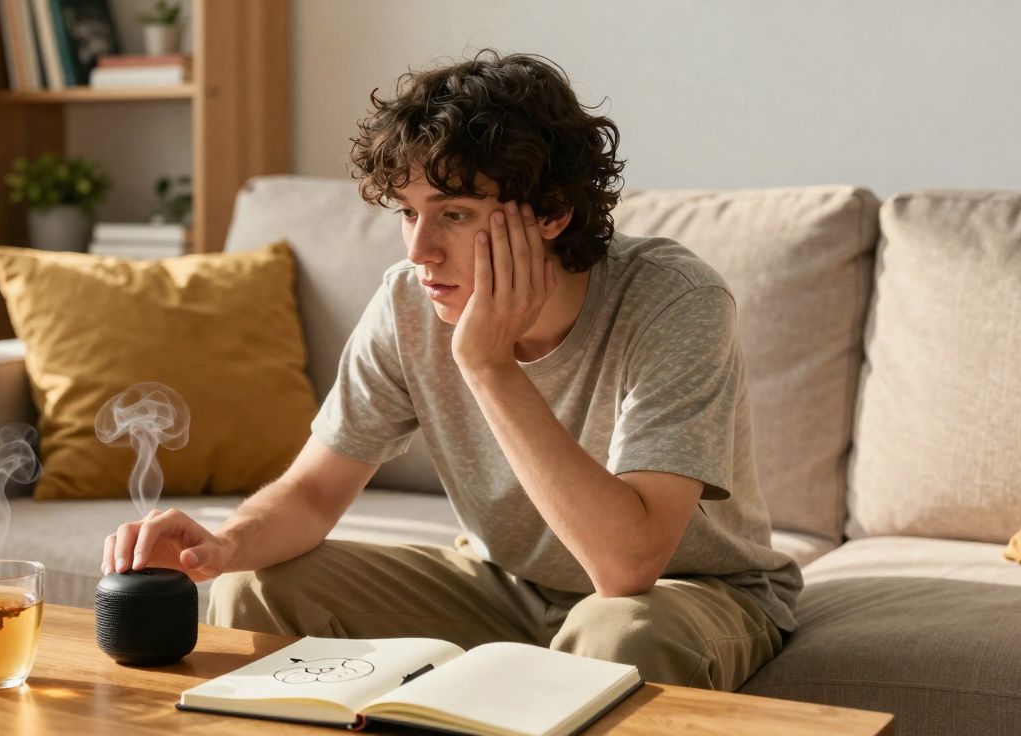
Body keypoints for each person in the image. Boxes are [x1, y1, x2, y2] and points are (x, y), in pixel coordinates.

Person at [100, 49, 801, 690]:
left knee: (620, 631)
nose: (422, 250)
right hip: (502, 583)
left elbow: (627, 567)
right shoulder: (408, 304)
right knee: (253, 586)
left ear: (553, 211)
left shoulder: (674, 301)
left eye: (455, 214)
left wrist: (490, 366)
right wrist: (223, 544)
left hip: (687, 593)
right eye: (409, 213)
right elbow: (314, 495)